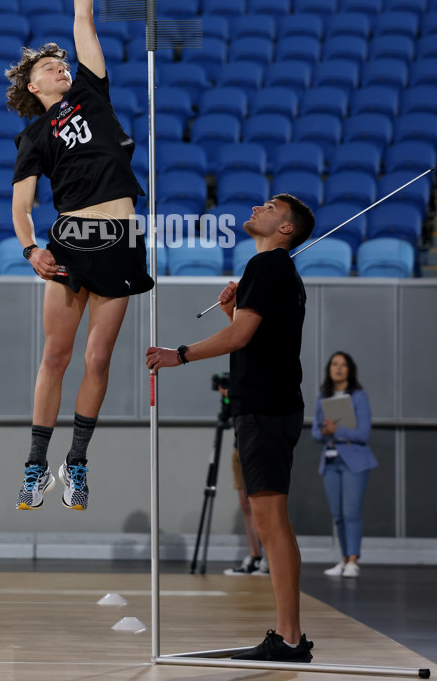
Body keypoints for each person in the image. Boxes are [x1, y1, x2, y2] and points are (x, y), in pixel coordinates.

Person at [7, 0, 154, 513]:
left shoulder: (92, 90)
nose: (60, 65)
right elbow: (21, 206)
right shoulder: (35, 134)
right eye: (49, 67)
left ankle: (78, 462)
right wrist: (29, 249)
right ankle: (36, 465)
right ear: (30, 84)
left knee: (99, 359)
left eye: (61, 63)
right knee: (58, 357)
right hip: (70, 240)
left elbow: (83, 21)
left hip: (120, 236)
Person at [146, 194, 316, 663]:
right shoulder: (278, 272)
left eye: (269, 207)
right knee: (272, 521)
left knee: (271, 522)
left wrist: (175, 354)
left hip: (263, 407)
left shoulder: (268, 267)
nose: (259, 208)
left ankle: (289, 638)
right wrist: (232, 313)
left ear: (286, 228)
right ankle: (290, 636)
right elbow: (256, 336)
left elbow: (240, 339)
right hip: (272, 405)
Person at [311, 352, 378, 578]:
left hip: (354, 459)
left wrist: (337, 430)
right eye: (334, 364)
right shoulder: (323, 397)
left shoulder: (359, 396)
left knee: (351, 512)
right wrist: (324, 431)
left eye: (343, 365)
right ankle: (343, 558)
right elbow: (315, 433)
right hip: (330, 460)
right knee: (338, 514)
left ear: (350, 369)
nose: (338, 368)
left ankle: (353, 560)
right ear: (329, 369)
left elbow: (363, 432)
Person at [218, 384, 269, 577]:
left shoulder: (259, 374)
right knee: (246, 504)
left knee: (263, 503)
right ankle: (254, 556)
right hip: (240, 442)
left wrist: (233, 393)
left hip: (260, 439)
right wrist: (229, 399)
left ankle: (269, 559)